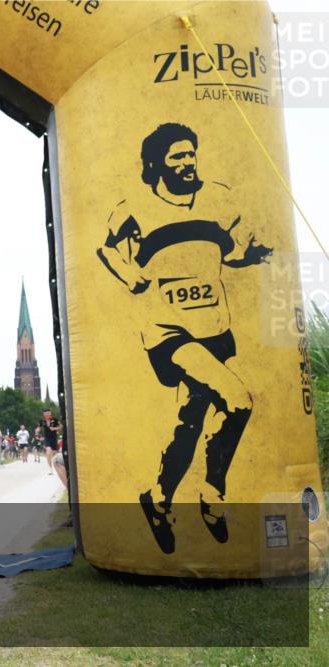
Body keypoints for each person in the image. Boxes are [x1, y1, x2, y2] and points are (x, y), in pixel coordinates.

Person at [97, 123, 270, 554]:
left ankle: (156, 500)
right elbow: (108, 248)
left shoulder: (218, 198)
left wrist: (250, 256)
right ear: (156, 164)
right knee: (239, 399)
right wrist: (130, 274)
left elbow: (228, 253)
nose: (187, 162)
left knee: (188, 424)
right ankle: (212, 496)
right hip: (168, 331)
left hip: (215, 327)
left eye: (190, 153)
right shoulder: (135, 207)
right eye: (176, 156)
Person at [38, 409, 62, 475]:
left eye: (48, 413)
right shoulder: (42, 421)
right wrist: (37, 430)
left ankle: (56, 465)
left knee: (54, 454)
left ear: (50, 413)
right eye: (45, 413)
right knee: (48, 452)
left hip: (54, 438)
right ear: (44, 414)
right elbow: (38, 428)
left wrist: (54, 428)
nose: (47, 415)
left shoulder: (55, 419)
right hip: (47, 438)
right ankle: (50, 469)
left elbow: (61, 426)